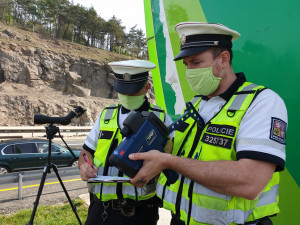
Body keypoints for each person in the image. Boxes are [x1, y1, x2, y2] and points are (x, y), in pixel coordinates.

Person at [129, 22, 287, 225]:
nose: (189, 71)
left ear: (223, 59)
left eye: (196, 62)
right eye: (186, 64)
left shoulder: (262, 102)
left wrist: (168, 161)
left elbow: (250, 181)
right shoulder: (197, 104)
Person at [78, 59, 174, 225]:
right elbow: (86, 153)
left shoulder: (161, 118)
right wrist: (84, 166)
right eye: (123, 91)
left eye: (132, 91)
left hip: (140, 212)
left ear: (147, 87)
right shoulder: (106, 115)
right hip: (100, 210)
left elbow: (171, 161)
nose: (127, 96)